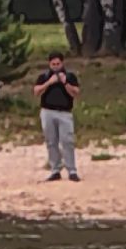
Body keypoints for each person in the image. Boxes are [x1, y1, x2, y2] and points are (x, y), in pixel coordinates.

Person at [33, 51, 81, 182]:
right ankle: (55, 170)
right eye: (53, 64)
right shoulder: (44, 76)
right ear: (49, 64)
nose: (56, 66)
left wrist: (65, 83)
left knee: (67, 141)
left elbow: (76, 93)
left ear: (62, 63)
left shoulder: (70, 76)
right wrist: (49, 82)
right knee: (51, 141)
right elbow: (36, 92)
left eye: (58, 64)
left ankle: (72, 170)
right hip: (47, 112)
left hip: (65, 113)